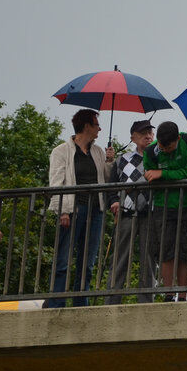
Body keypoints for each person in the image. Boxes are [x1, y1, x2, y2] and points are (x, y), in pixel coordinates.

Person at [46, 109, 116, 308]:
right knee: (63, 259)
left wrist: (110, 161)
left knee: (88, 261)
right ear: (86, 126)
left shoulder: (98, 151)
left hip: (96, 211)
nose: (99, 128)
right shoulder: (61, 151)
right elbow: (56, 182)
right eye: (96, 124)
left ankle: (80, 303)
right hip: (74, 209)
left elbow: (107, 179)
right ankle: (56, 303)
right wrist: (64, 211)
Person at [143, 121, 187, 302]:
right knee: (165, 249)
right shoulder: (150, 151)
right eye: (161, 146)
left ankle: (183, 295)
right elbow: (149, 175)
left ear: (177, 139)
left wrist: (164, 174)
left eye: (168, 147)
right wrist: (172, 174)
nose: (165, 150)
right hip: (163, 205)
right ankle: (169, 293)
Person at [105, 120, 160, 305]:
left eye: (150, 132)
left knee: (149, 259)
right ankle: (113, 299)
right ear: (133, 137)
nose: (148, 136)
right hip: (127, 212)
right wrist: (113, 201)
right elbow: (111, 186)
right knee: (120, 257)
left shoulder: (159, 159)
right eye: (143, 132)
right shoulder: (122, 159)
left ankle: (146, 301)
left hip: (151, 213)